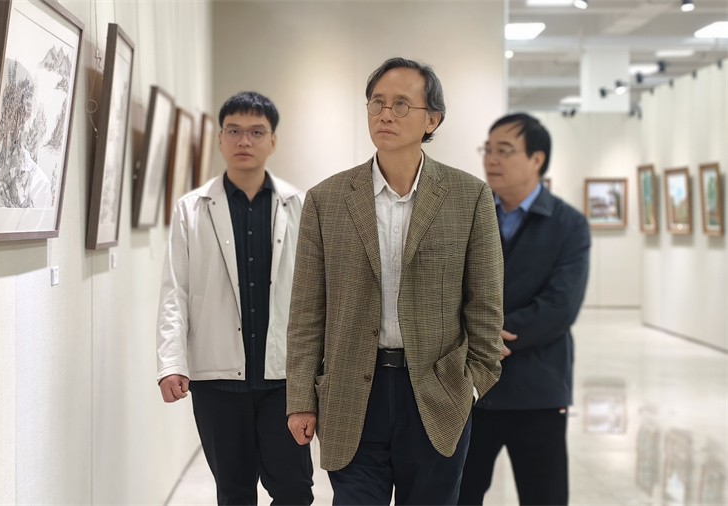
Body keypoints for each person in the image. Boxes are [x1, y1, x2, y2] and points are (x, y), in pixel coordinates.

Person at [285, 57, 504, 505]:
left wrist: (472, 384)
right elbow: (307, 312)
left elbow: (485, 304)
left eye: (401, 104)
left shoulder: (469, 196)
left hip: (437, 393)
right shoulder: (326, 200)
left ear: (432, 120)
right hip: (351, 394)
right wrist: (301, 398)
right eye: (377, 103)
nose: (385, 114)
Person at [156, 91, 314, 505]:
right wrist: (171, 363)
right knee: (234, 492)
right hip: (217, 380)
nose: (244, 140)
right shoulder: (191, 210)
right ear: (220, 138)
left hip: (284, 379)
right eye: (234, 131)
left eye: (257, 132)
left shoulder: (300, 206)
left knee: (294, 490)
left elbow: (317, 293)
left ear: (273, 141)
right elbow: (175, 292)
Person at [457, 113, 591, 506]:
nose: (491, 159)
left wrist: (488, 337)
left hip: (538, 390)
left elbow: (560, 305)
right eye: (488, 149)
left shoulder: (568, 225)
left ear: (537, 159)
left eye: (505, 150)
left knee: (543, 496)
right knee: (458, 495)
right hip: (471, 389)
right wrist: (480, 341)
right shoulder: (469, 215)